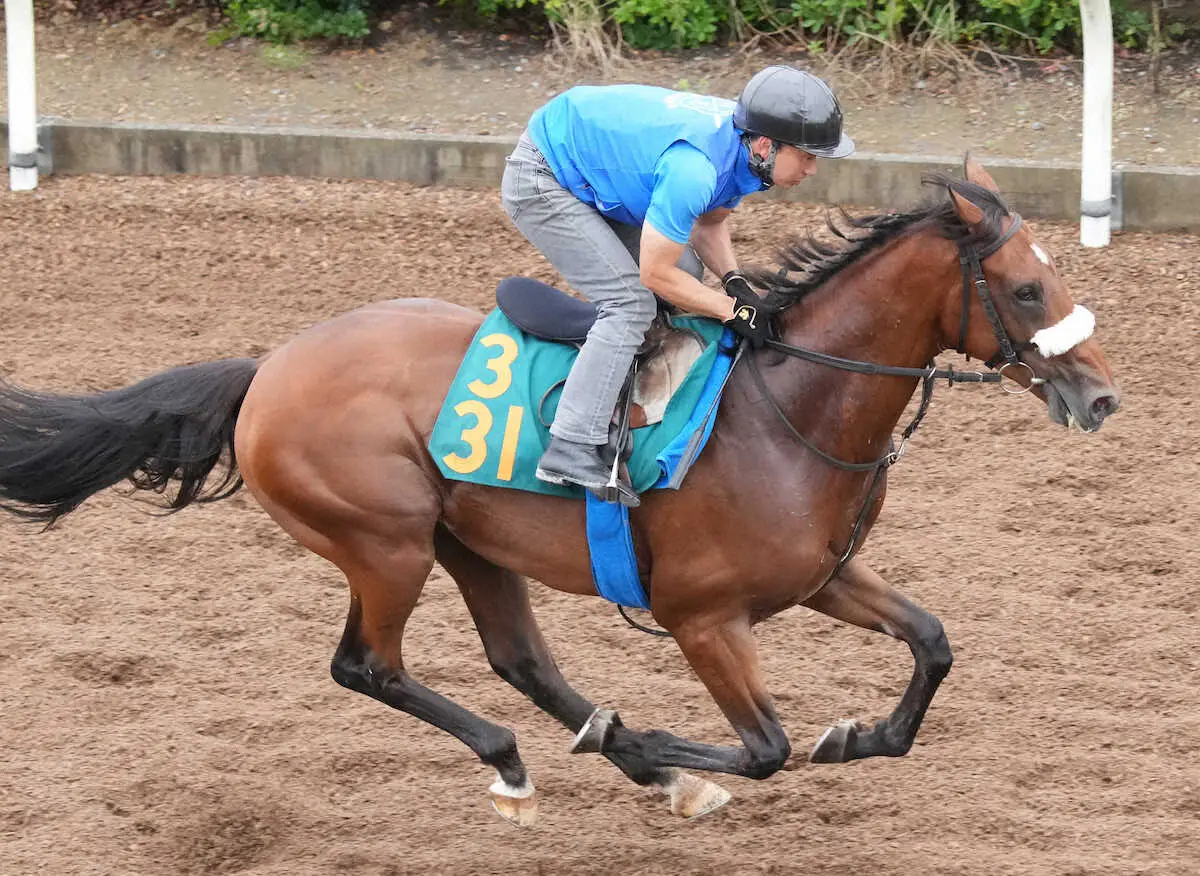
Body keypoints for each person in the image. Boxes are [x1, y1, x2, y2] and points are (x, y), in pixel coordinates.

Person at [501, 65, 855, 508]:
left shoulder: (743, 145)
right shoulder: (696, 168)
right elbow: (653, 274)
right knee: (630, 303)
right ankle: (570, 443)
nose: (813, 168)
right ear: (767, 145)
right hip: (543, 178)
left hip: (590, 160)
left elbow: (707, 223)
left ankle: (622, 378)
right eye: (806, 155)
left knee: (685, 276)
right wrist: (729, 311)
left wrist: (734, 282)